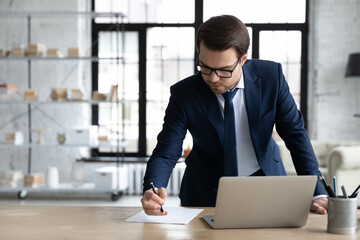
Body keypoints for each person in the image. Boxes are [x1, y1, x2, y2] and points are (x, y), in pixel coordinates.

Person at [141, 15, 328, 216]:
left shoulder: (271, 78)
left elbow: (295, 134)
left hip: (267, 184)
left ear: (243, 59)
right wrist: (153, 190)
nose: (212, 78)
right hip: (204, 191)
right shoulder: (184, 94)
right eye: (204, 67)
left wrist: (317, 193)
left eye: (224, 70)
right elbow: (166, 151)